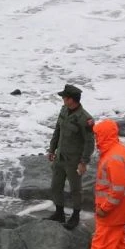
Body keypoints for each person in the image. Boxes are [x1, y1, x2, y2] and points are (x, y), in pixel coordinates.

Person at [77, 118, 125, 249]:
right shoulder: (118, 150)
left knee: (100, 243)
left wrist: (104, 208)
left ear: (105, 135)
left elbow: (117, 189)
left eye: (97, 135)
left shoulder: (113, 157)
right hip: (122, 209)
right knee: (118, 242)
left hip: (112, 211)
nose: (95, 139)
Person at [47, 84, 93, 229]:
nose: (62, 99)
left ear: (72, 100)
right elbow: (57, 131)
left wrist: (83, 162)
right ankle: (59, 213)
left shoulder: (85, 119)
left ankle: (75, 216)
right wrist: (52, 149)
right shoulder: (64, 110)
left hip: (73, 162)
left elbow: (89, 142)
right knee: (55, 186)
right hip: (60, 158)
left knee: (75, 190)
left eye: (64, 98)